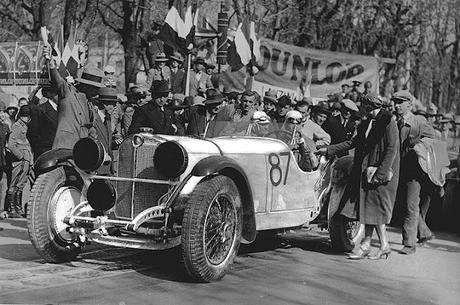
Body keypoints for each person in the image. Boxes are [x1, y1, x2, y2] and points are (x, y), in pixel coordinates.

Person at [321, 93, 400, 259]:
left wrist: (382, 172)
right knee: (369, 208)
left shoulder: (388, 122)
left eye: (363, 105)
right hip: (366, 171)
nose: (361, 108)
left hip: (379, 172)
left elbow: (392, 149)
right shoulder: (367, 123)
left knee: (373, 208)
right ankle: (376, 245)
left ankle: (369, 245)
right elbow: (353, 143)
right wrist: (330, 149)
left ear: (369, 106)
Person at [392, 90, 437, 255]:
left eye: (400, 102)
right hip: (399, 169)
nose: (396, 105)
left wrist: (418, 145)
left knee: (410, 206)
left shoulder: (419, 121)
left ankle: (409, 244)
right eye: (395, 102)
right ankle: (424, 232)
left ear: (409, 104)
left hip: (414, 171)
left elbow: (433, 140)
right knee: (406, 205)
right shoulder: (396, 122)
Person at [43, 45, 102, 150]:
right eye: (94, 88)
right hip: (65, 146)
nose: (96, 91)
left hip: (82, 151)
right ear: (86, 85)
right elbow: (58, 80)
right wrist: (50, 61)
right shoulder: (68, 92)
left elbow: (91, 129)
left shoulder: (90, 104)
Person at [4, 105, 33, 218]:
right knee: (15, 183)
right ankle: (12, 209)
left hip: (25, 160)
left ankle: (18, 208)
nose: (28, 118)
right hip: (19, 161)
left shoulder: (24, 126)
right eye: (26, 116)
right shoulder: (17, 126)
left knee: (20, 185)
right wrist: (21, 156)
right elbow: (11, 145)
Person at [27, 86, 58, 159]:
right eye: (58, 93)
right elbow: (32, 134)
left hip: (59, 153)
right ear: (51, 94)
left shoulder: (63, 110)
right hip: (45, 154)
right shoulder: (40, 110)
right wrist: (41, 150)